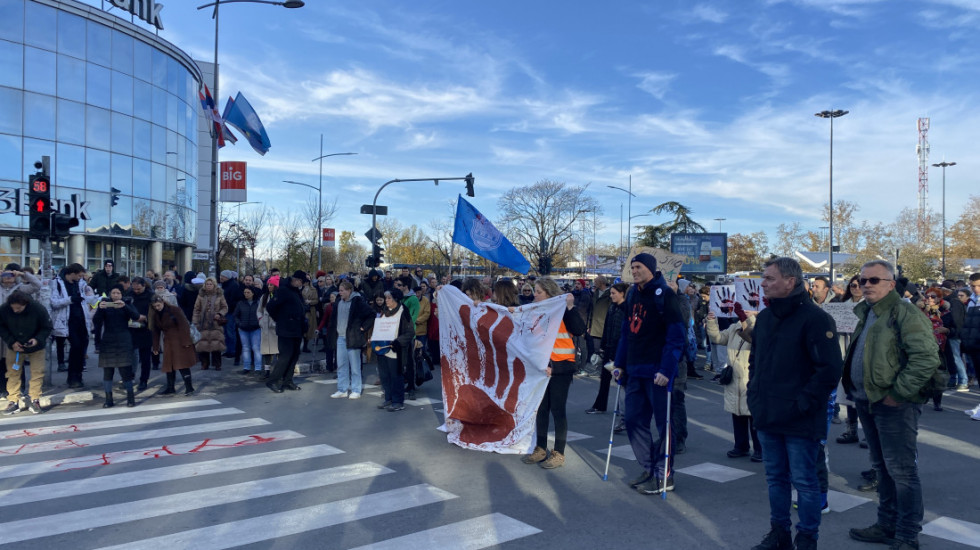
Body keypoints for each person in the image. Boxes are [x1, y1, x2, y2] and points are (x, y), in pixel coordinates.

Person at [843, 260, 940, 550]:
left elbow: (926, 357)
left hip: (894, 404)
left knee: (902, 471)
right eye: (862, 280)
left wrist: (898, 393)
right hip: (868, 401)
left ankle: (907, 535)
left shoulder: (904, 312)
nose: (866, 285)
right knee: (882, 468)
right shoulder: (868, 312)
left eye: (874, 280)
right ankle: (886, 524)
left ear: (890, 283)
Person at [748, 257, 842, 550]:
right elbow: (756, 362)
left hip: (800, 417)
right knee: (775, 479)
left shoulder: (815, 318)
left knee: (805, 482)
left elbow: (828, 369)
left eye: (770, 278)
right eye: (764, 278)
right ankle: (779, 534)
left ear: (790, 281)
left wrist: (803, 403)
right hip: (767, 413)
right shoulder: (764, 318)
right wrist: (754, 394)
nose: (763, 283)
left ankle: (807, 538)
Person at [610, 253, 686, 494]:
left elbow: (676, 336)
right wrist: (619, 363)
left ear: (651, 269)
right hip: (634, 369)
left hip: (657, 372)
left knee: (664, 426)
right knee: (633, 420)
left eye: (638, 266)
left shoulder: (665, 295)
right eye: (632, 267)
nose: (634, 271)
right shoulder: (632, 294)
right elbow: (626, 333)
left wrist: (666, 369)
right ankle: (650, 467)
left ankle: (665, 474)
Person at [706, 307, 761, 461]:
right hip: (734, 376)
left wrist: (747, 318)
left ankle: (759, 448)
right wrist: (711, 320)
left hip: (749, 376)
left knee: (754, 416)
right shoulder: (733, 327)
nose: (746, 311)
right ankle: (741, 446)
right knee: (737, 413)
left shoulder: (760, 326)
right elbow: (717, 338)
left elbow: (752, 337)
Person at [0, 291, 53, 415]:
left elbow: (47, 327)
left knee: (37, 372)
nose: (15, 310)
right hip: (15, 346)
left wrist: (37, 339)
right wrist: (11, 342)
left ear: (25, 304)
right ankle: (13, 400)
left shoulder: (38, 308)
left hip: (36, 346)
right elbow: (1, 327)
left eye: (19, 308)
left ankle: (35, 399)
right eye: (13, 308)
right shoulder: (4, 309)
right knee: (12, 373)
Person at [94, 285, 141, 408]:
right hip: (108, 341)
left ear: (122, 295)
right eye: (113, 293)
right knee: (108, 372)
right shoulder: (105, 304)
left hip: (124, 340)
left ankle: (130, 398)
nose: (115, 295)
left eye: (118, 293)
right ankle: (108, 399)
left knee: (126, 371)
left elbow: (136, 316)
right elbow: (97, 322)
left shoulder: (126, 303)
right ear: (110, 294)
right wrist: (100, 309)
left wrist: (124, 306)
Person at [327, 280, 374, 399]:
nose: (340, 292)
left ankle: (356, 389)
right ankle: (342, 389)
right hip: (340, 337)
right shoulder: (338, 302)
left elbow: (371, 314)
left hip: (353, 337)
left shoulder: (357, 302)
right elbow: (333, 319)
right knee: (341, 365)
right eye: (339, 290)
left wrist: (363, 328)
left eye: (342, 290)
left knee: (355, 366)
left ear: (349, 290)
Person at [586, 282, 628, 415]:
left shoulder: (627, 309)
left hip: (620, 350)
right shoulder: (612, 308)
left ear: (622, 294)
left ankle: (624, 411)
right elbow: (607, 328)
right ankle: (600, 405)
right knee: (604, 378)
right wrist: (603, 346)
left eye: (614, 293)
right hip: (609, 347)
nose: (611, 296)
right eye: (611, 293)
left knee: (621, 381)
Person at [265, 271, 308, 393]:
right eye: (301, 282)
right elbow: (270, 306)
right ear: (296, 280)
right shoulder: (284, 290)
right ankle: (273, 380)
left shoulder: (295, 291)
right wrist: (280, 319)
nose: (301, 284)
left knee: (294, 356)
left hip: (297, 328)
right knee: (285, 356)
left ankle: (288, 380)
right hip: (286, 329)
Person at [374, 288, 415, 411]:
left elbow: (410, 332)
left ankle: (398, 402)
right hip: (382, 349)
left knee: (396, 376)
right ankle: (389, 398)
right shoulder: (384, 311)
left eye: (389, 298)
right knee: (385, 375)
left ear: (396, 299)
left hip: (396, 350)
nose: (386, 300)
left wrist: (398, 342)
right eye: (385, 298)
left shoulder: (403, 311)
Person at [149, 294, 196, 395]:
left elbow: (184, 325)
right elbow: (156, 331)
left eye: (158, 305)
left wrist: (186, 341)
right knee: (169, 365)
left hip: (179, 339)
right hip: (168, 341)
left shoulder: (174, 310)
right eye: (155, 306)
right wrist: (155, 347)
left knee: (182, 364)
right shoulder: (156, 314)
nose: (157, 308)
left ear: (162, 302)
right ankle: (170, 387)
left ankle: (189, 387)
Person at [192, 277, 228, 370]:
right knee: (203, 344)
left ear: (214, 285)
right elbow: (196, 309)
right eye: (207, 284)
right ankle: (205, 363)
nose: (209, 286)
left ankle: (217, 364)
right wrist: (195, 321)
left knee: (216, 344)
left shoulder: (219, 295)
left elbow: (225, 307)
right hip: (203, 322)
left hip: (215, 323)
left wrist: (219, 314)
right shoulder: (201, 295)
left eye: (210, 284)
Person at [128, 277, 153, 392]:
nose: (136, 291)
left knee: (145, 357)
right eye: (134, 289)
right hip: (131, 328)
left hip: (145, 329)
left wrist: (146, 319)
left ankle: (144, 380)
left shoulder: (150, 296)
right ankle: (130, 376)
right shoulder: (129, 294)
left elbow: (155, 312)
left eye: (138, 289)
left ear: (144, 286)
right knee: (130, 355)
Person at [234, 286, 263, 374]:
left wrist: (259, 323)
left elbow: (262, 314)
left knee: (256, 347)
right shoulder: (240, 303)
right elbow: (236, 315)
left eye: (248, 292)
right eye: (245, 292)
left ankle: (258, 368)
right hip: (243, 328)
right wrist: (239, 324)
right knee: (246, 348)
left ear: (253, 293)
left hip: (255, 328)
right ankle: (246, 367)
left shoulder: (258, 303)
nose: (246, 294)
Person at [219, 271, 242, 366]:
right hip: (225, 311)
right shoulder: (225, 285)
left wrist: (228, 307)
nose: (220, 277)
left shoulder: (233, 286)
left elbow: (234, 300)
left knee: (230, 332)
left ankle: (232, 351)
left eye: (222, 276)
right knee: (226, 332)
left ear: (226, 277)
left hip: (230, 312)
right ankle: (229, 350)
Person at [257, 283, 279, 376]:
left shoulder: (279, 296)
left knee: (278, 350)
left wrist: (276, 322)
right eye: (268, 285)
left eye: (271, 285)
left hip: (276, 327)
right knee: (266, 351)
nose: (269, 286)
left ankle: (278, 371)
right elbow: (259, 310)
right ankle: (267, 371)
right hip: (265, 327)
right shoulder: (264, 297)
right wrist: (261, 320)